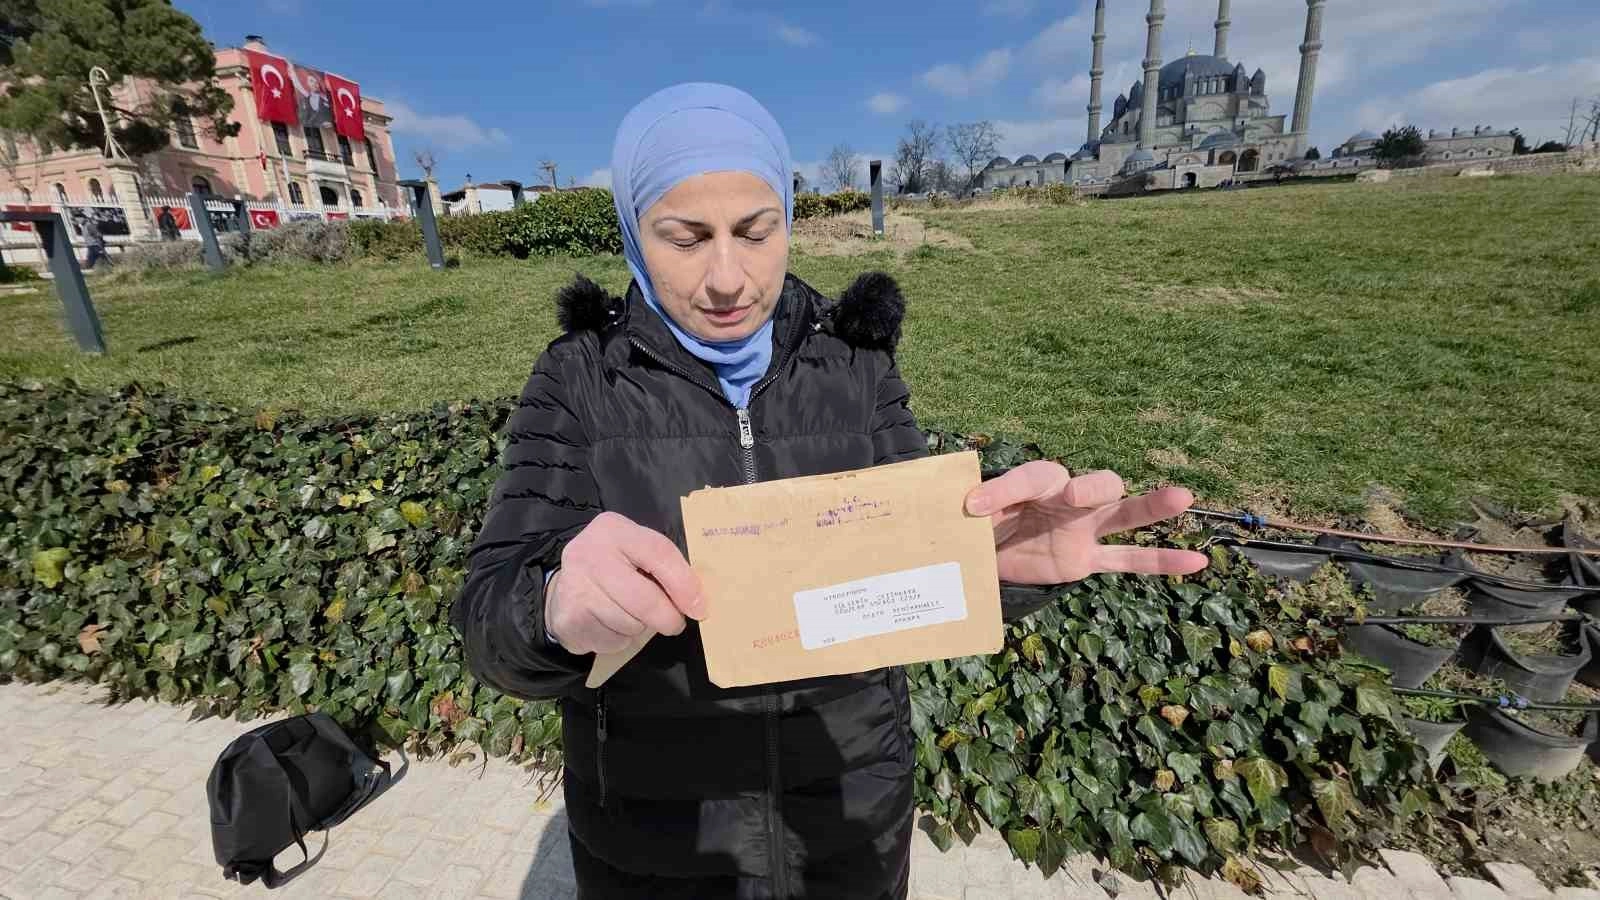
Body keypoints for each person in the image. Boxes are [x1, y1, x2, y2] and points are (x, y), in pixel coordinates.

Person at [451, 82, 1208, 899]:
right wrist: (552, 606)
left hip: (850, 821)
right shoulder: (579, 380)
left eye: (756, 231)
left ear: (788, 217)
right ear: (635, 233)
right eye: (686, 238)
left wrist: (997, 567)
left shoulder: (855, 365)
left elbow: (920, 564)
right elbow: (489, 623)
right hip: (656, 845)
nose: (727, 278)